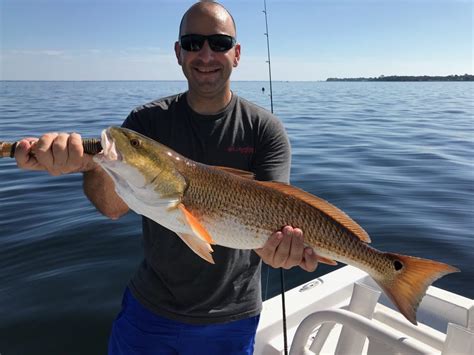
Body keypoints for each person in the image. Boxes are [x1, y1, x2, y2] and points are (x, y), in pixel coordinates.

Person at [15, 2, 319, 354]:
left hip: (231, 319)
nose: (205, 54)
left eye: (219, 43)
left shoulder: (265, 130)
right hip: (150, 311)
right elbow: (112, 207)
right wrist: (91, 165)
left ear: (236, 54)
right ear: (178, 52)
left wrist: (282, 252)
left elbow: (278, 222)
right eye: (192, 42)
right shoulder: (146, 123)